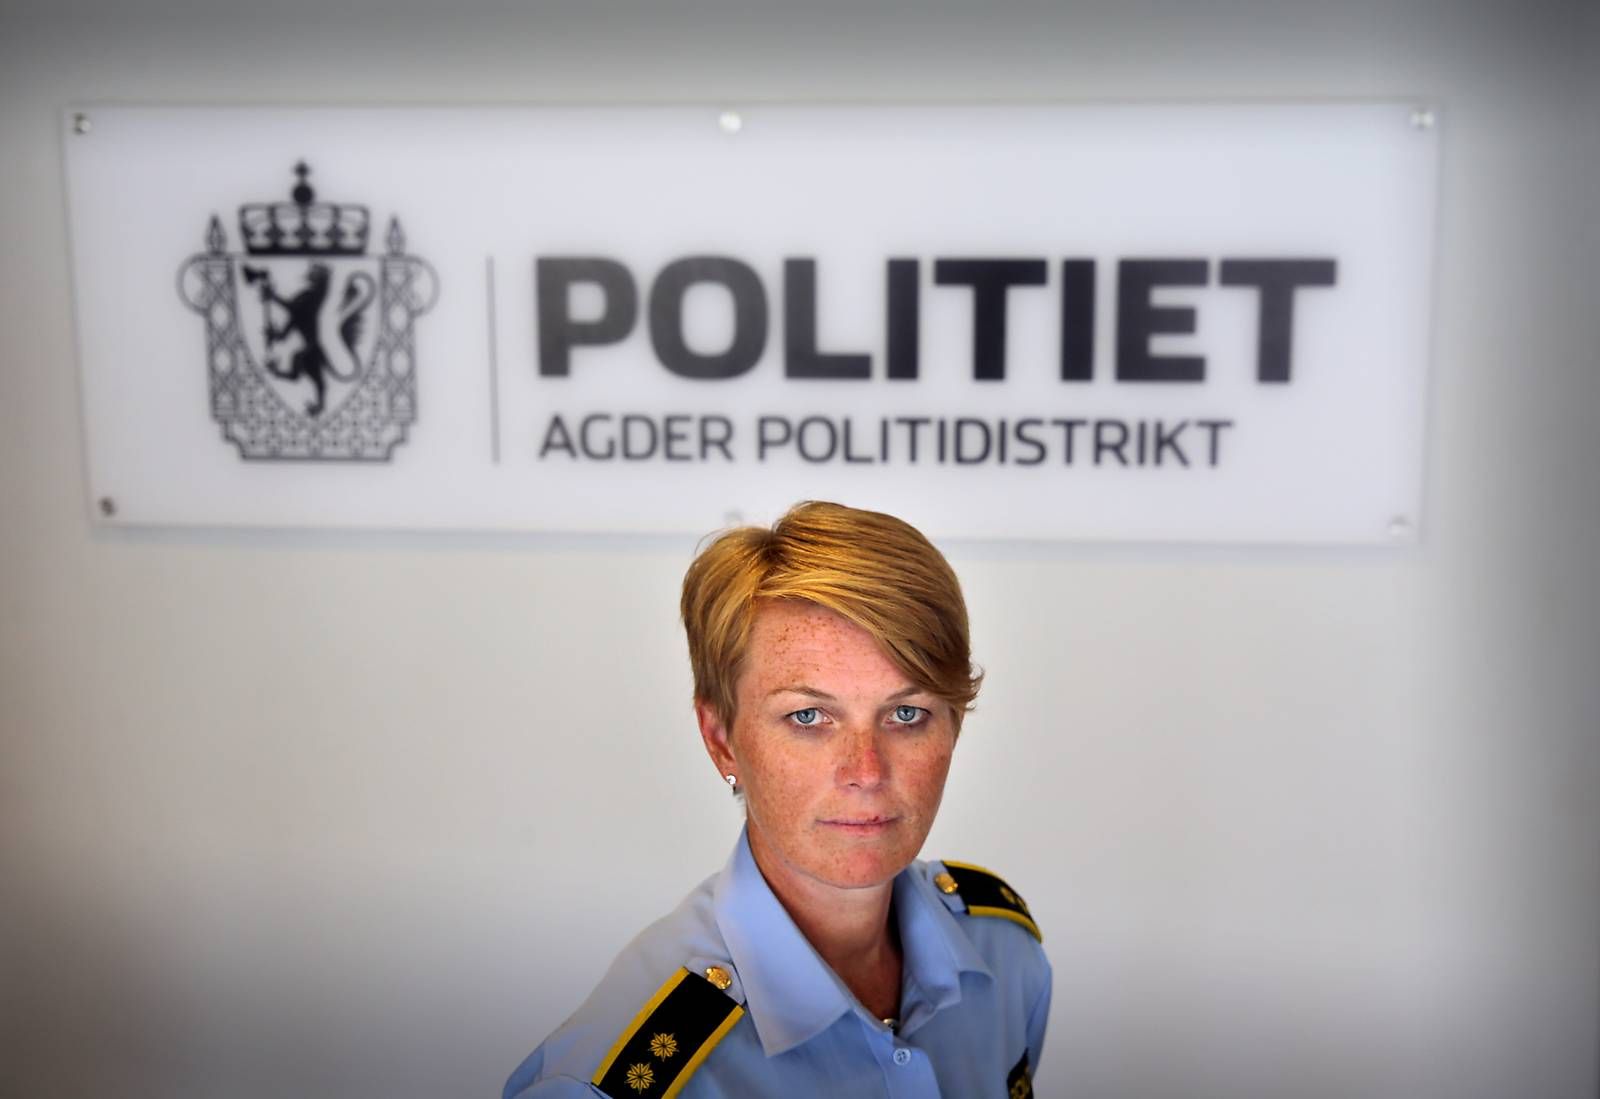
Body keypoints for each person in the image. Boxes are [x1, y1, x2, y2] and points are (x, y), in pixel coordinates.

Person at [503, 501, 1051, 1098]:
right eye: (808, 716)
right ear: (722, 741)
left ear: (954, 727)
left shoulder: (1004, 954)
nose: (866, 771)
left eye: (906, 713)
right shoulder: (619, 1081)